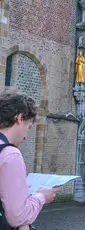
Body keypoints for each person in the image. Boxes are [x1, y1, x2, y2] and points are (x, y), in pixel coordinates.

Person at [0, 90, 60, 229]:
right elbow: (18, 216)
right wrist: (41, 197)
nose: (26, 137)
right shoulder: (10, 154)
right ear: (20, 118)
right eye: (29, 127)